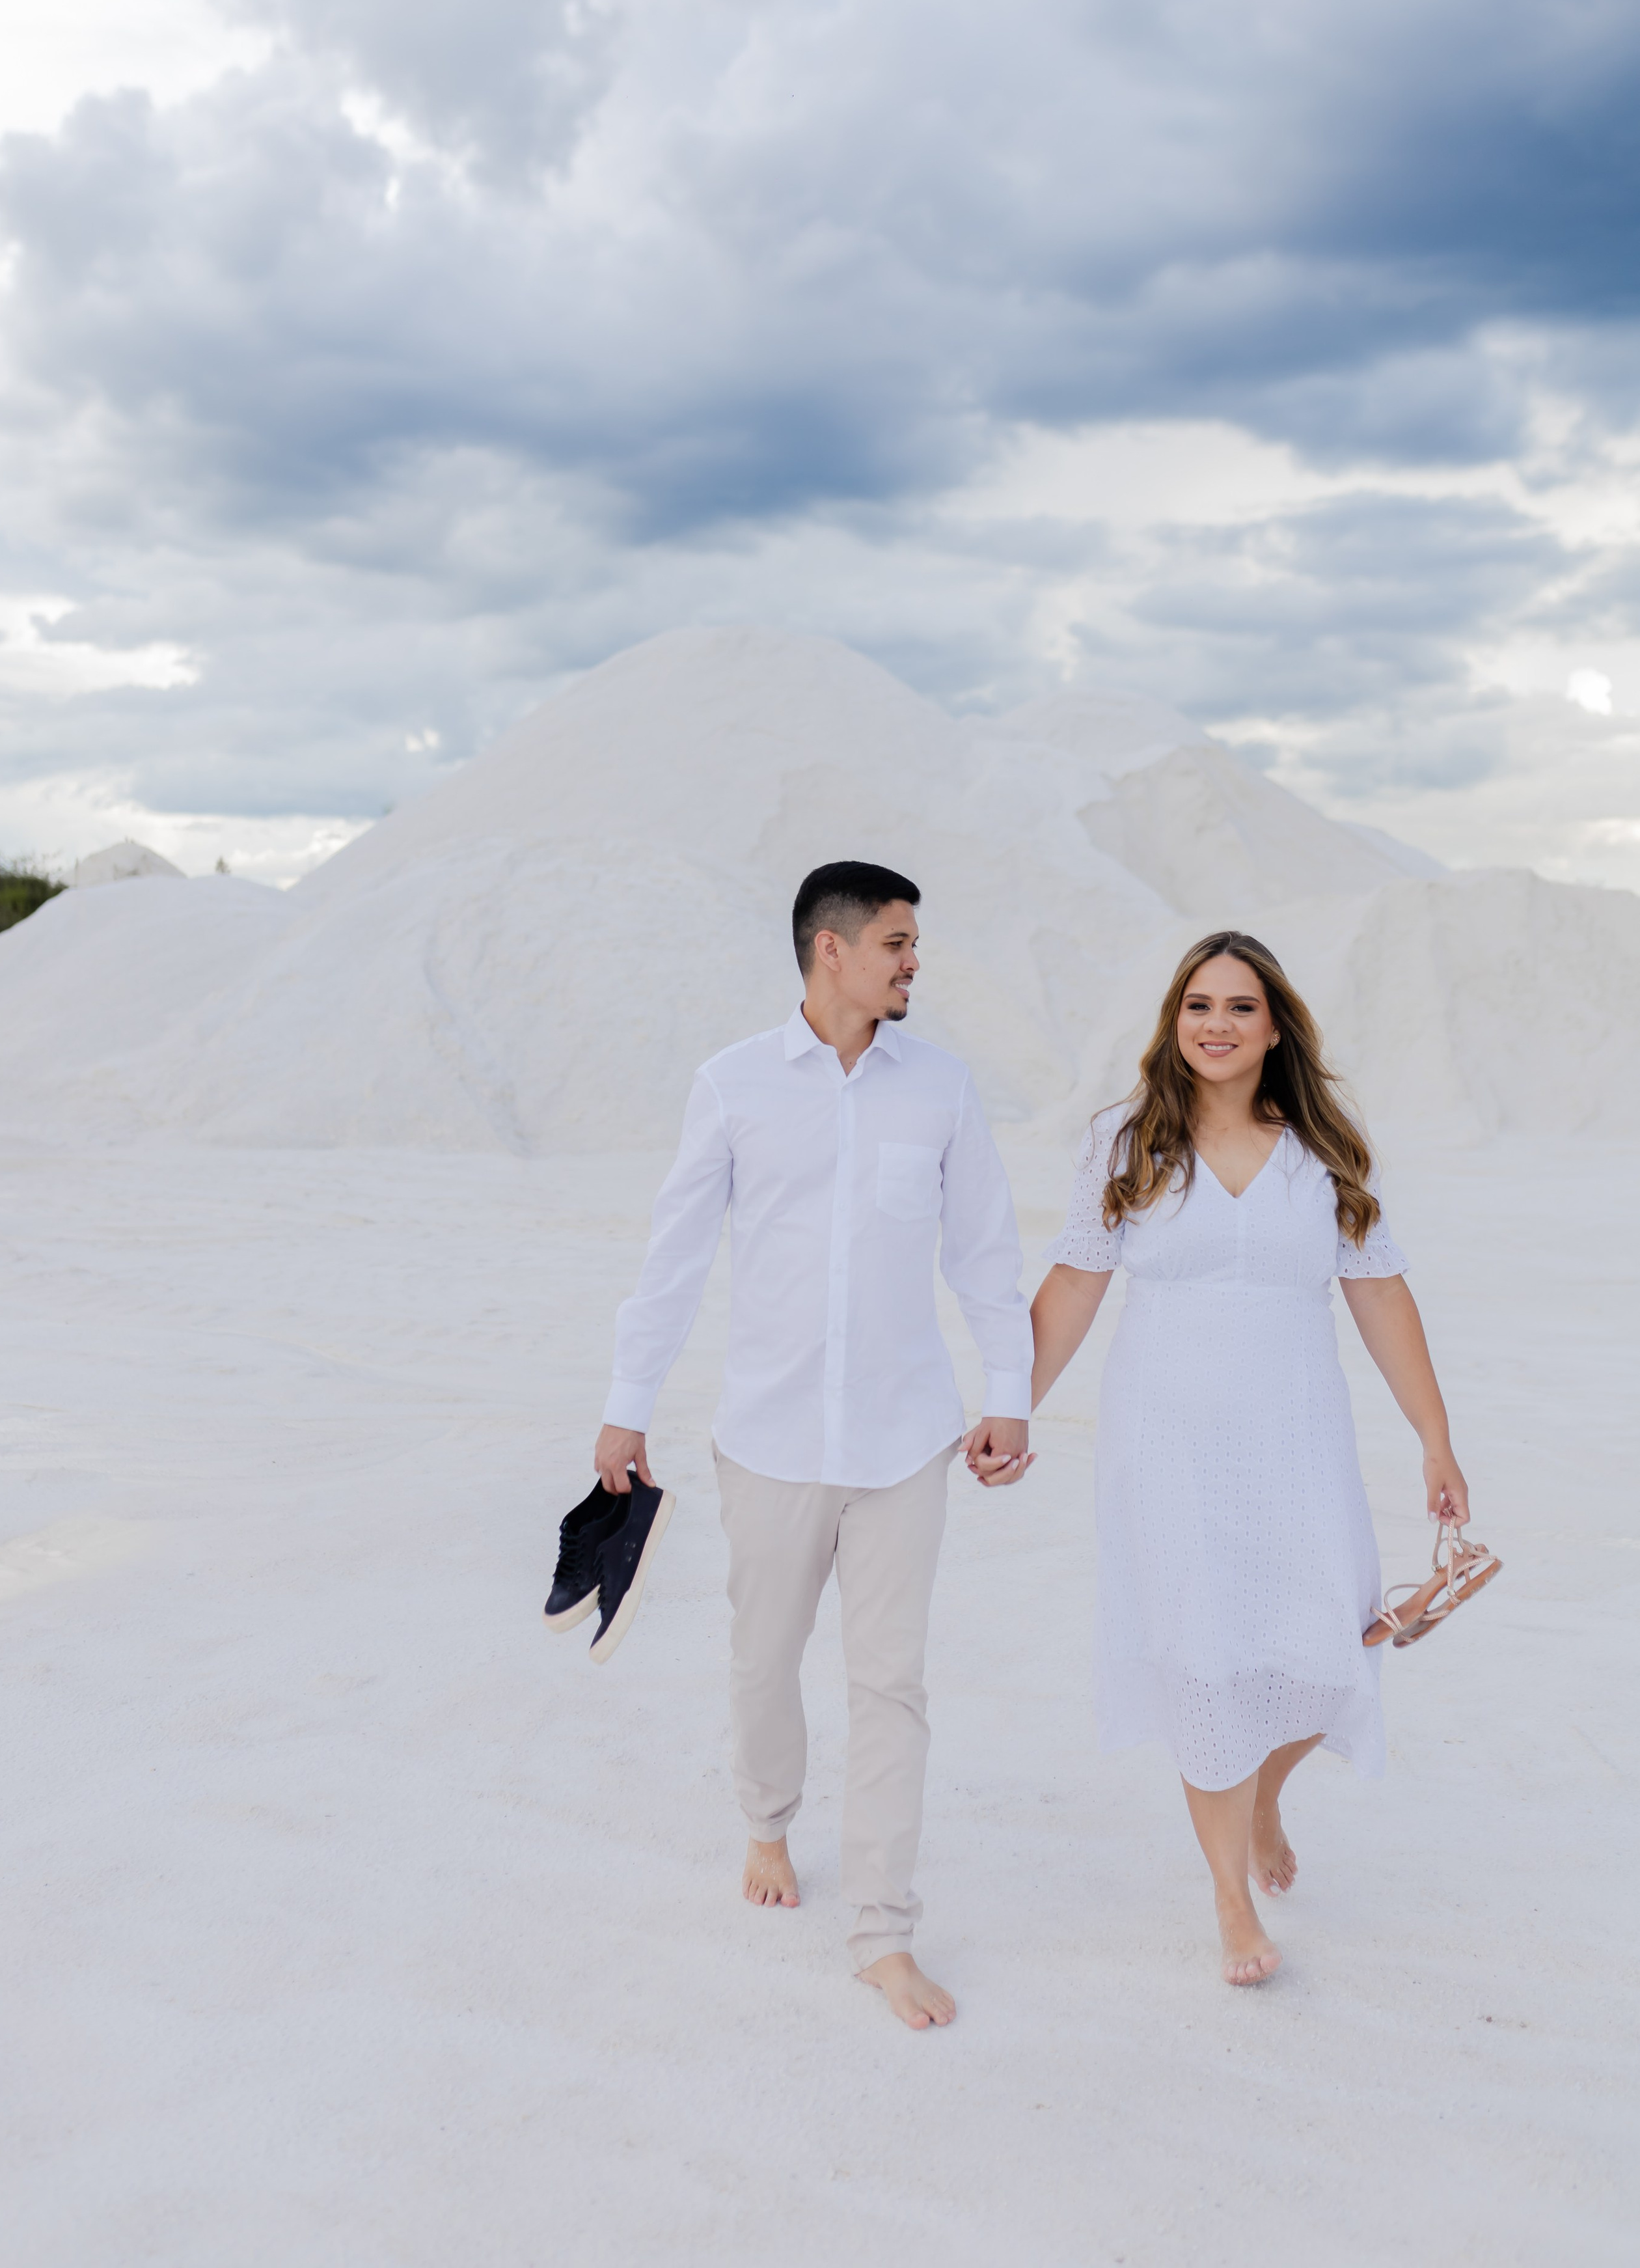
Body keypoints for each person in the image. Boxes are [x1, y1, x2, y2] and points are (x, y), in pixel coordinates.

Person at [968, 929, 1469, 1987]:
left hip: (1298, 1440)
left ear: (1274, 1024)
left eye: (1240, 1007)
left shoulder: (1327, 1148)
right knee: (1205, 1660)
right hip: (1168, 1448)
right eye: (1199, 1005)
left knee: (1333, 1655)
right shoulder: (1127, 1141)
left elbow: (1381, 1296)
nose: (1217, 1025)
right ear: (1174, 1020)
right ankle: (1232, 1899)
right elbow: (1071, 1288)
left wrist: (1436, 1437)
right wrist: (1010, 1406)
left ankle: (1266, 1798)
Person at [594, 861, 1033, 2030]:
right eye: (896, 942)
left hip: (906, 1445)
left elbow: (986, 1253)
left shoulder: (940, 1088)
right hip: (772, 1438)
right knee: (763, 1660)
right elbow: (676, 1255)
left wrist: (1010, 1395)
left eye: (915, 943)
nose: (912, 962)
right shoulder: (734, 1086)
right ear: (829, 950)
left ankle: (884, 1933)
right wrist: (626, 1403)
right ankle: (768, 1822)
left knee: (892, 1686)